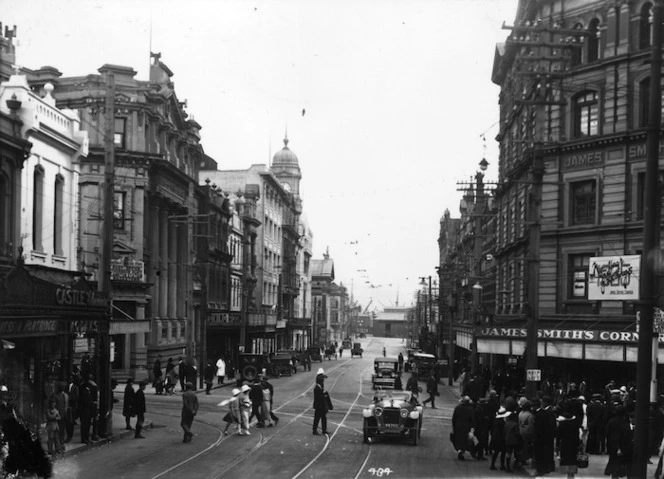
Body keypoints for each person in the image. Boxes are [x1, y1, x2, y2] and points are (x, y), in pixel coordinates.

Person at [604, 405, 632, 478]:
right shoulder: (625, 423)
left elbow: (607, 432)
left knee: (613, 460)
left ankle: (614, 475)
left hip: (612, 444)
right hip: (622, 444)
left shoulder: (611, 421)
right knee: (620, 462)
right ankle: (619, 473)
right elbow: (627, 434)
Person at [534, 395, 557, 476]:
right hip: (547, 436)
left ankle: (547, 467)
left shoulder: (549, 412)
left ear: (546, 403)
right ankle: (548, 466)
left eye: (543, 402)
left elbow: (550, 425)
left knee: (546, 452)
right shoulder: (548, 412)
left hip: (546, 436)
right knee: (547, 452)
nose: (541, 403)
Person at [556, 409, 580, 479]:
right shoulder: (575, 425)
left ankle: (568, 474)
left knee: (565, 460)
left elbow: (558, 436)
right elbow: (577, 436)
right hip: (573, 445)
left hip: (564, 445)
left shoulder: (561, 425)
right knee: (572, 460)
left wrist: (557, 445)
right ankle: (571, 475)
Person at [452, 395, 475, 460]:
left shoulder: (457, 407)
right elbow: (472, 419)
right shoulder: (470, 409)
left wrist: (454, 426)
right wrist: (472, 428)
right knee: (465, 439)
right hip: (466, 426)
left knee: (459, 439)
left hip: (458, 425)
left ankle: (460, 450)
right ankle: (463, 451)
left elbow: (454, 418)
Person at [490, 406, 510, 470]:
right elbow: (503, 431)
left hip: (495, 438)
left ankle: (492, 464)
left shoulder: (495, 421)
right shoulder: (502, 422)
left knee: (495, 452)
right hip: (501, 439)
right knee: (503, 452)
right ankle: (502, 465)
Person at [51, 382, 68, 453]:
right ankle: (58, 447)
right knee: (57, 432)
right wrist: (56, 415)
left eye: (63, 387)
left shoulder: (65, 395)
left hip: (64, 416)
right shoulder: (55, 396)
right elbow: (53, 406)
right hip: (57, 416)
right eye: (61, 387)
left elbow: (66, 405)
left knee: (62, 431)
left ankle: (62, 444)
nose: (63, 389)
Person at [518, 400, 535, 465]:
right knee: (526, 447)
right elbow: (531, 426)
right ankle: (524, 459)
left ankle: (520, 459)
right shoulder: (530, 415)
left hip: (521, 430)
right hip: (527, 432)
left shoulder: (520, 413)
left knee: (522, 446)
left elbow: (519, 422)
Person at [313, 368, 329, 435]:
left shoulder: (319, 387)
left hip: (320, 406)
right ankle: (315, 430)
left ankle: (324, 430)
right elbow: (319, 398)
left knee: (323, 418)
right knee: (317, 418)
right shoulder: (317, 388)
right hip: (319, 406)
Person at [65, 376, 79, 443]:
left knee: (71, 422)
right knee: (67, 422)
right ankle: (68, 434)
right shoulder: (65, 387)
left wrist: (69, 397)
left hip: (73, 407)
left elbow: (76, 397)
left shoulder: (75, 387)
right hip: (67, 407)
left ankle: (70, 435)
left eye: (71, 379)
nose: (69, 380)